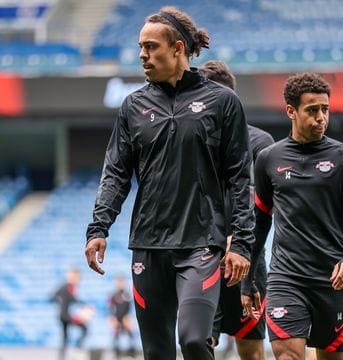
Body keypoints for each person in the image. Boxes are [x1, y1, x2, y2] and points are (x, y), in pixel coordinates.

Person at [85, 7, 255, 360]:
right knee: (157, 353)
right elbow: (116, 172)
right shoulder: (132, 106)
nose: (142, 55)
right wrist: (98, 227)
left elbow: (240, 176)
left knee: (194, 340)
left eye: (151, 47)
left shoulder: (223, 102)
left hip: (201, 245)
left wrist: (241, 242)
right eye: (140, 47)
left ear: (178, 48)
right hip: (148, 246)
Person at [254, 72, 343, 359]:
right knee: (287, 356)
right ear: (291, 111)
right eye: (312, 110)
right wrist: (250, 280)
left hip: (332, 280)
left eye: (325, 110)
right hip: (285, 278)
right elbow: (259, 221)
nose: (321, 117)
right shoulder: (268, 159)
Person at [199, 60, 274, 360]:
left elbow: (264, 203)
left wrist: (238, 239)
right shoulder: (194, 140)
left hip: (246, 260)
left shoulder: (258, 142)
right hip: (200, 259)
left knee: (252, 352)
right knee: (199, 344)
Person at [51, 268, 89, 356]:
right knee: (84, 328)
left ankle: (62, 355)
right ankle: (77, 347)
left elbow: (55, 297)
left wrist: (61, 302)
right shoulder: (68, 286)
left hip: (62, 315)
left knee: (65, 337)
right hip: (65, 316)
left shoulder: (66, 286)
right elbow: (55, 297)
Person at [108, 275, 136, 358]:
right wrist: (113, 318)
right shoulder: (113, 295)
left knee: (130, 335)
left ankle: (132, 354)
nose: (120, 284)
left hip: (125, 318)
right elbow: (110, 307)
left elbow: (129, 307)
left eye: (121, 282)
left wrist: (128, 318)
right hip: (117, 318)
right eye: (118, 282)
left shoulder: (127, 294)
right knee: (116, 336)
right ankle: (117, 355)